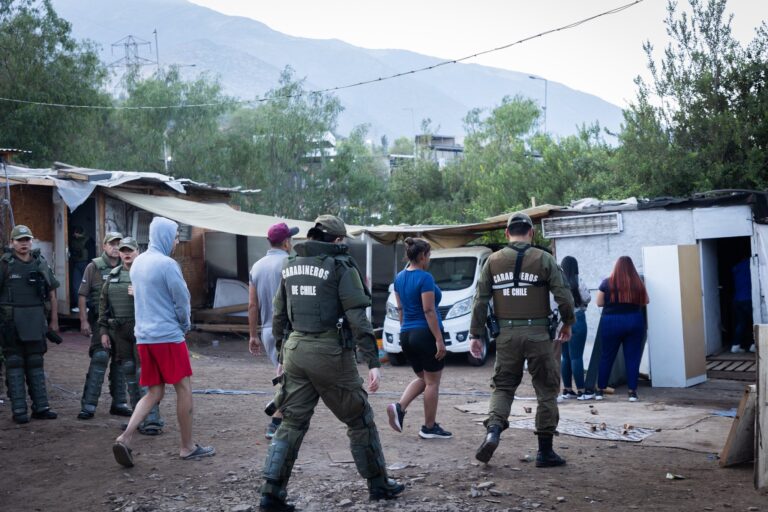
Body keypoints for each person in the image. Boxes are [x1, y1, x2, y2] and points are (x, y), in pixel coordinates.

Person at [259, 215, 403, 511]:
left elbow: (279, 315)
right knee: (359, 418)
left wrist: (282, 357)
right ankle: (378, 485)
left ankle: (271, 494)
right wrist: (371, 361)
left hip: (296, 350)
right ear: (337, 241)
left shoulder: (291, 264)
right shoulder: (341, 265)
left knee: (291, 422)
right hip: (329, 352)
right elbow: (357, 318)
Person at [469, 213, 574, 467]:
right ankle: (545, 451)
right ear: (531, 232)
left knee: (503, 387)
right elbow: (564, 295)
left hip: (505, 336)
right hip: (539, 335)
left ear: (507, 234)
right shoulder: (544, 259)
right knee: (546, 390)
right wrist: (568, 322)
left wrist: (475, 334)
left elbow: (480, 301)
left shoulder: (492, 262)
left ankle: (493, 430)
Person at [112, 217, 214, 468]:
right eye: (176, 235)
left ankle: (125, 437)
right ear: (165, 236)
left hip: (144, 338)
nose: (177, 240)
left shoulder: (137, 264)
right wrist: (185, 325)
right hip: (167, 337)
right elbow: (182, 300)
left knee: (154, 392)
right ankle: (187, 447)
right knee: (184, 389)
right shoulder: (167, 264)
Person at [98, 237, 164, 435]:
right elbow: (103, 305)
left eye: (130, 250)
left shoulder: (148, 275)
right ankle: (138, 420)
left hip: (144, 331)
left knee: (144, 374)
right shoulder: (113, 275)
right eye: (123, 250)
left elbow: (163, 301)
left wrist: (142, 293)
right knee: (129, 371)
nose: (126, 254)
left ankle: (152, 421)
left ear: (138, 251)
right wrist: (103, 331)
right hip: (121, 332)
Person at [387, 237, 451, 439]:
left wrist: (405, 331)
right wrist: (439, 340)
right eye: (429, 255)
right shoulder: (425, 278)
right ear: (422, 256)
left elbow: (400, 309)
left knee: (423, 378)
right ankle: (429, 427)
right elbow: (429, 310)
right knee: (432, 382)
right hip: (425, 334)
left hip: (406, 333)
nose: (429, 259)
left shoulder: (398, 278)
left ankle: (399, 407)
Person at [0, 225, 60, 423]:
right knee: (15, 363)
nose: (24, 243)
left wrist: (53, 321)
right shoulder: (4, 265)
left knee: (35, 363)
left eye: (27, 239)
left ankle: (41, 408)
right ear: (12, 243)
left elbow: (52, 293)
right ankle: (19, 410)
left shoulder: (40, 263)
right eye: (19, 240)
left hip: (36, 320)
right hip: (11, 323)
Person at [248, 222, 299, 439]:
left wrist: (252, 335)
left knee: (286, 375)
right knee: (287, 377)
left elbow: (252, 304)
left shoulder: (257, 266)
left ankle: (284, 415)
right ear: (286, 242)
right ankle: (276, 419)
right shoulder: (291, 263)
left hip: (267, 330)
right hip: (289, 330)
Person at [77, 231, 132, 420]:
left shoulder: (129, 266)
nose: (116, 247)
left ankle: (119, 403)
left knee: (122, 361)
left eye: (119, 244)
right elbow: (82, 295)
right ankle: (89, 405)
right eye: (112, 244)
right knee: (100, 357)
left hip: (123, 323)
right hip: (100, 321)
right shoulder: (94, 267)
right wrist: (83, 321)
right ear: (104, 246)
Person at [595, 256, 649, 402]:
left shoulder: (607, 282)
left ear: (616, 267)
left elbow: (599, 303)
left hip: (611, 322)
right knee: (632, 357)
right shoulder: (638, 283)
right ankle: (632, 393)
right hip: (634, 320)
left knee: (607, 356)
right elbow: (646, 301)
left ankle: (600, 390)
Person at [559, 256, 592, 400]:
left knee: (565, 356)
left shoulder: (557, 281)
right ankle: (581, 391)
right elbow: (587, 298)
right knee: (576, 356)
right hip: (577, 318)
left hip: (561, 321)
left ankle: (567, 390)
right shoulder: (578, 281)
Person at [730, 258, 754, 353]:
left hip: (737, 300)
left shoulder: (736, 268)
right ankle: (753, 345)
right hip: (748, 298)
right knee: (755, 322)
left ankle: (735, 346)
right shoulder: (751, 264)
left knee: (741, 323)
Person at [69, 225, 91, 312]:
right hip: (76, 264)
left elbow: (91, 253)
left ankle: (87, 306)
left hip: (86, 264)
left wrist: (90, 265)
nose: (75, 235)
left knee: (86, 285)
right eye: (74, 233)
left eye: (77, 233)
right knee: (76, 285)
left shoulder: (88, 240)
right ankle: (79, 306)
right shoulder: (73, 241)